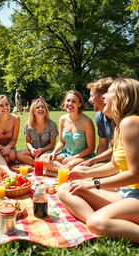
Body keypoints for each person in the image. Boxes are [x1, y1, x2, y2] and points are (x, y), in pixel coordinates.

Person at [57, 78, 139, 243]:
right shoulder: (120, 125)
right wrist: (86, 173)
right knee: (66, 189)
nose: (103, 98)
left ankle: (104, 222)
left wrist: (93, 183)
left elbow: (135, 174)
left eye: (108, 93)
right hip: (126, 194)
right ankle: (113, 222)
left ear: (122, 97)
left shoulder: (131, 123)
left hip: (136, 196)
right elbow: (114, 165)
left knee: (95, 222)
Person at [44, 90, 95, 171]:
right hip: (66, 155)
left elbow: (91, 148)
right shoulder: (62, 119)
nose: (70, 103)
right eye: (68, 100)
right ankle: (66, 172)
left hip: (82, 156)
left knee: (70, 164)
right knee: (44, 159)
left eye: (74, 101)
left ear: (79, 104)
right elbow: (61, 142)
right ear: (64, 102)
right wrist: (54, 152)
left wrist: (74, 157)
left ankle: (57, 171)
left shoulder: (87, 122)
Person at [78, 77, 114, 167]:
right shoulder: (100, 116)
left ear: (103, 96)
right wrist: (95, 164)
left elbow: (119, 149)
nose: (89, 100)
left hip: (126, 162)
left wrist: (92, 161)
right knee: (86, 171)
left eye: (92, 96)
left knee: (92, 176)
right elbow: (102, 144)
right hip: (114, 158)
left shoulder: (125, 119)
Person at [17, 98, 58, 165]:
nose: (41, 109)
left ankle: (40, 163)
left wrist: (42, 150)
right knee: (18, 154)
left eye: (42, 107)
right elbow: (27, 142)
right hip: (34, 150)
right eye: (37, 107)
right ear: (33, 111)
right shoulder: (28, 124)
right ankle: (38, 164)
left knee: (43, 158)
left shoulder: (52, 124)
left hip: (47, 151)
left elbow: (53, 143)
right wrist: (31, 149)